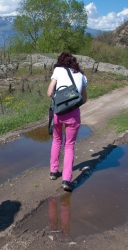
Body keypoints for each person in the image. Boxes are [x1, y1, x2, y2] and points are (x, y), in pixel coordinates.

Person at [47, 52, 87, 191]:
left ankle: (53, 172)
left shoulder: (58, 70)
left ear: (61, 62)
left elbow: (49, 93)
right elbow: (83, 99)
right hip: (73, 115)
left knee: (57, 140)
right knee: (69, 145)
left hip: (58, 113)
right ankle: (66, 180)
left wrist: (60, 99)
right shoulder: (82, 76)